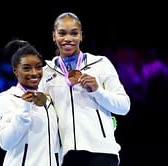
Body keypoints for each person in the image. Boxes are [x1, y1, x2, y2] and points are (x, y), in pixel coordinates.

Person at [39, 12, 131, 166]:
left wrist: (97, 91)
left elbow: (124, 106)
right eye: (62, 33)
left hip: (102, 151)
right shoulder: (46, 73)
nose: (68, 38)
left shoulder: (101, 63)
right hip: (66, 154)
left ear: (81, 36)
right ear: (54, 36)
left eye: (74, 33)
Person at [0, 39, 60, 166]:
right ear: (15, 71)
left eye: (38, 67)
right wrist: (24, 110)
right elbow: (5, 142)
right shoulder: (6, 99)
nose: (34, 73)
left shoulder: (48, 100)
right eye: (26, 68)